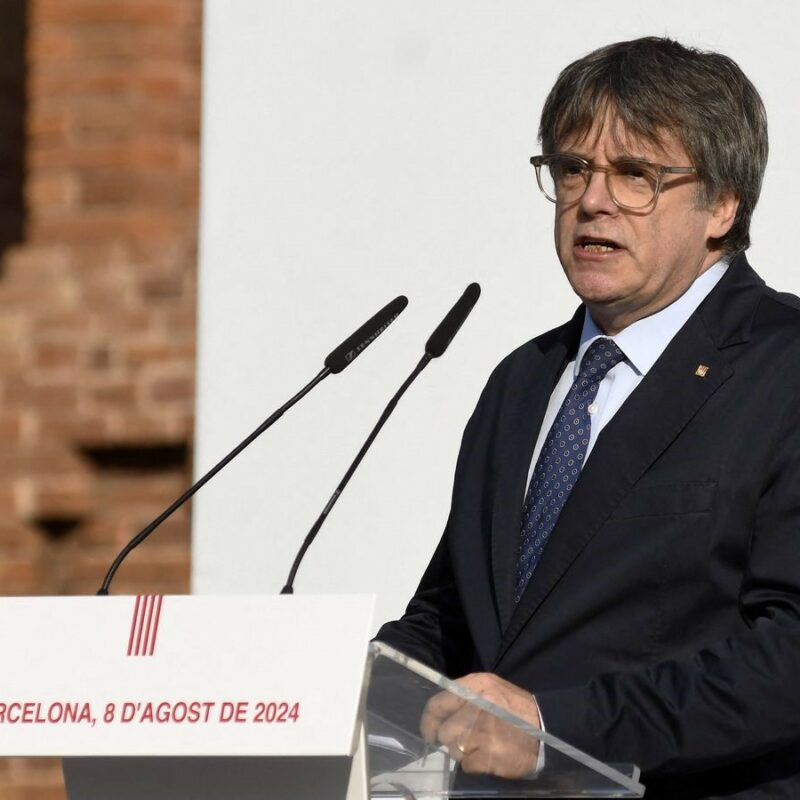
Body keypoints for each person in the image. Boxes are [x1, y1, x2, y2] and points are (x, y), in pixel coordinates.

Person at [375, 37, 800, 798]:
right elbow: (453, 620)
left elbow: (789, 656)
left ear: (723, 205)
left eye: (636, 174)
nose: (593, 201)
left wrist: (555, 728)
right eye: (573, 169)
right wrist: (317, 692)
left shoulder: (783, 367)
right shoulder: (522, 382)